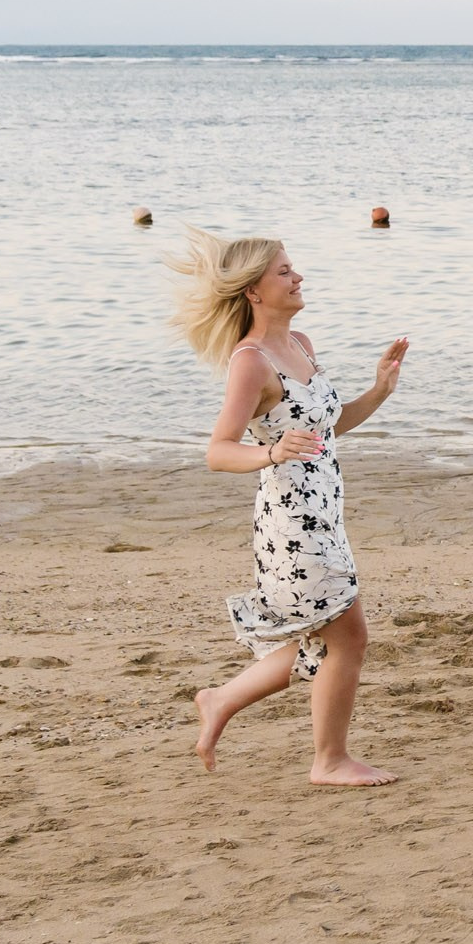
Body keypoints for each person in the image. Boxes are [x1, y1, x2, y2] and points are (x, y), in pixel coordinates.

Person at [167, 228, 409, 784]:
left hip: (327, 513)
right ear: (253, 290)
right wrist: (271, 451)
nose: (297, 277)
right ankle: (328, 760)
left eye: (293, 268)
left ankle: (221, 700)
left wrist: (378, 392)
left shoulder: (301, 346)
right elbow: (218, 451)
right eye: (284, 272)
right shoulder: (250, 362)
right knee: (346, 636)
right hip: (291, 523)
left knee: (323, 637)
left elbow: (327, 427)